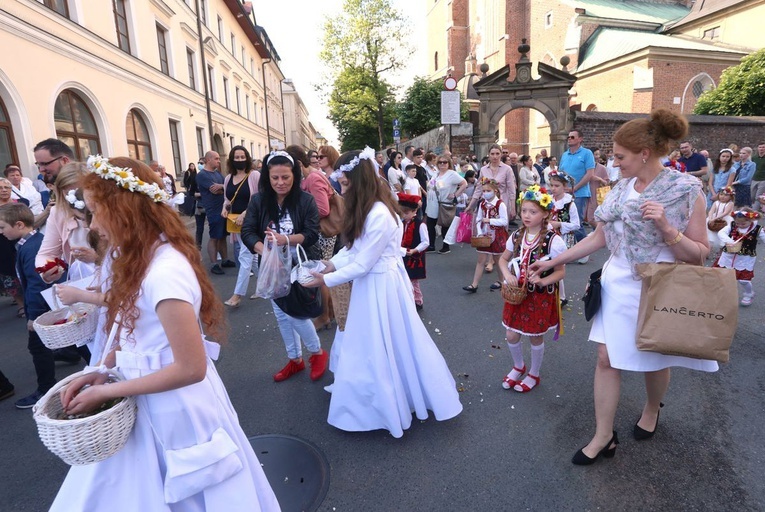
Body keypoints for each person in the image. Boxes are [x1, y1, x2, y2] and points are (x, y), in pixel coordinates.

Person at [48, 156, 280, 511]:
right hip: (145, 394)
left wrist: (109, 389)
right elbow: (132, 330)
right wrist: (102, 368)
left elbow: (191, 368)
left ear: (124, 209)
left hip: (176, 407)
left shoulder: (165, 272)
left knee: (193, 489)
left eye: (96, 212)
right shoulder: (139, 257)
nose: (93, 226)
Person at [530, 109, 718, 466]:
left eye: (620, 157)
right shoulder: (620, 189)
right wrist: (554, 261)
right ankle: (604, 436)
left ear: (645, 153)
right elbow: (600, 237)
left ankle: (651, 409)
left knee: (654, 358)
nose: (614, 165)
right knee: (605, 357)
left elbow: (699, 254)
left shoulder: (686, 189)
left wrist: (666, 227)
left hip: (658, 287)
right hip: (617, 283)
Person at [304, 148, 462, 438]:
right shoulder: (366, 209)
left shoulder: (379, 214)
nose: (340, 187)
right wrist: (330, 264)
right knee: (366, 340)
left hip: (382, 285)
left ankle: (388, 400)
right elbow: (353, 250)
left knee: (385, 340)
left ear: (357, 180)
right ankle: (367, 396)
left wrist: (325, 280)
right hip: (370, 283)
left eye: (344, 181)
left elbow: (364, 262)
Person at [240, 151, 329, 382]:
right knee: (281, 314)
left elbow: (311, 234)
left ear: (294, 175)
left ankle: (318, 353)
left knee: (296, 313)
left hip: (299, 265)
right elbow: (247, 231)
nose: (280, 183)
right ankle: (295, 359)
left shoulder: (305, 200)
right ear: (267, 178)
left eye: (285, 177)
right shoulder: (259, 200)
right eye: (275, 178)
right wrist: (266, 251)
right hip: (272, 267)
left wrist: (286, 241)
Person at [498, 185, 566, 393]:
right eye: (524, 210)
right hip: (517, 295)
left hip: (539, 297)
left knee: (535, 336)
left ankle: (534, 373)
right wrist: (508, 275)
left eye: (533, 212)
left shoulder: (554, 241)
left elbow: (560, 272)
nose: (526, 216)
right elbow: (503, 259)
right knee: (511, 335)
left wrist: (543, 281)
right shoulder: (517, 235)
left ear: (545, 214)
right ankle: (519, 366)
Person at [292, 145, 337, 330]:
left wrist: (303, 217)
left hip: (322, 232)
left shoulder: (312, 178)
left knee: (321, 273)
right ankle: (329, 312)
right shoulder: (312, 176)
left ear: (297, 163)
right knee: (321, 271)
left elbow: (323, 209)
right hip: (319, 231)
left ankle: (324, 315)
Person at [221, 146, 260, 308]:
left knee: (244, 257)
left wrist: (245, 213)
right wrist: (225, 208)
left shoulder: (254, 175)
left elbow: (258, 198)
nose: (239, 160)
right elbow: (227, 198)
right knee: (254, 257)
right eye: (236, 157)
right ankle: (264, 285)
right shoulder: (228, 178)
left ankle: (237, 295)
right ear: (231, 159)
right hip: (234, 222)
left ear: (247, 158)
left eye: (242, 157)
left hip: (250, 222)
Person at [462, 179, 508, 293]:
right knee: (480, 260)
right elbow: (478, 219)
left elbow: (504, 221)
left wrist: (490, 220)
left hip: (497, 235)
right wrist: (479, 232)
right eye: (483, 191)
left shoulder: (500, 204)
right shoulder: (482, 203)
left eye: (488, 190)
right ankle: (474, 284)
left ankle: (501, 281)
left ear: (495, 191)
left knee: (498, 259)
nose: (485, 193)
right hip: (484, 234)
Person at [714, 208, 765, 306]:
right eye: (737, 223)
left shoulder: (757, 229)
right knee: (723, 275)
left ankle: (748, 294)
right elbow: (721, 233)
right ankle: (724, 294)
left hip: (745, 258)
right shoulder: (732, 225)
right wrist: (729, 241)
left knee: (744, 280)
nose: (739, 225)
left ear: (750, 220)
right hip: (728, 255)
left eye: (743, 224)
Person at [196, 151, 234, 274]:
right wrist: (223, 188)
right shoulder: (202, 175)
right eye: (216, 159)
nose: (219, 161)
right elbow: (215, 191)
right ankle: (214, 264)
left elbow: (226, 188)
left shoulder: (218, 174)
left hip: (223, 209)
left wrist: (222, 186)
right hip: (213, 210)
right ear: (208, 160)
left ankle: (225, 260)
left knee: (222, 236)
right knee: (214, 237)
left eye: (219, 158)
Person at [547, 171, 580, 305]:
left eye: (556, 185)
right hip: (548, 237)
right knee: (549, 265)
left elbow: (576, 224)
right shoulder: (547, 200)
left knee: (557, 266)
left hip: (562, 239)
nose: (553, 188)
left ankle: (561, 297)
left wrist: (560, 224)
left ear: (564, 186)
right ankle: (553, 294)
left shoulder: (569, 204)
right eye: (551, 185)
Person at [559, 129, 595, 248]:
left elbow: (589, 174)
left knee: (577, 223)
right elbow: (560, 173)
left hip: (580, 193)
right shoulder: (565, 154)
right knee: (566, 222)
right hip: (565, 193)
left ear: (580, 139)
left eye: (573, 137)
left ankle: (585, 249)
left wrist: (574, 188)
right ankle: (571, 250)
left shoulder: (587, 153)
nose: (569, 139)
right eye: (568, 137)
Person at [425, 155, 467, 254]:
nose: (442, 164)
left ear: (449, 164)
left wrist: (455, 194)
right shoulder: (436, 174)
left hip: (444, 203)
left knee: (445, 224)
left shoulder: (452, 174)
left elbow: (464, 183)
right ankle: (431, 245)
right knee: (430, 224)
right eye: (440, 162)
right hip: (432, 203)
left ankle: (445, 246)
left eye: (445, 162)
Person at [468, 144, 516, 220]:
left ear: (501, 154)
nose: (495, 156)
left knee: (501, 227)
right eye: (492, 154)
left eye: (497, 154)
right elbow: (479, 189)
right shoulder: (483, 170)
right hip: (487, 202)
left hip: (502, 202)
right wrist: (470, 206)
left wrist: (513, 208)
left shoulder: (507, 169)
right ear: (489, 155)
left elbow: (511, 189)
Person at [398, 193, 429, 310]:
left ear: (414, 211)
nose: (404, 216)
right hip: (403, 254)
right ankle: (407, 300)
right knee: (403, 279)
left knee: (413, 280)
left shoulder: (420, 224)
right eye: (402, 213)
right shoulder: (401, 223)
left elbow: (426, 242)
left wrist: (415, 250)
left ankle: (417, 300)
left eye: (406, 213)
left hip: (414, 257)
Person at [0, 179, 25, 317]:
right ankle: (21, 304)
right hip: (3, 247)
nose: (4, 190)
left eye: (7, 187)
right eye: (1, 187)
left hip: (20, 242)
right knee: (9, 275)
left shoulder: (20, 204)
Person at [706, 186, 735, 257]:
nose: (723, 197)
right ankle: (708, 251)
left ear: (731, 196)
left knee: (723, 236)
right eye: (721, 194)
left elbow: (725, 213)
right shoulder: (716, 202)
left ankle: (721, 251)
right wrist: (710, 218)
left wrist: (714, 219)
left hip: (725, 220)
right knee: (711, 236)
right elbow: (711, 211)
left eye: (726, 195)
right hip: (714, 219)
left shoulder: (730, 204)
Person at [585, 149, 611, 224]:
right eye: (595, 154)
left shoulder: (602, 168)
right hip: (586, 194)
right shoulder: (585, 167)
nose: (597, 157)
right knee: (586, 217)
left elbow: (607, 183)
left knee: (592, 218)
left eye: (598, 154)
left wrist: (599, 179)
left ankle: (599, 232)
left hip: (596, 196)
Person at [751, 143, 765, 212]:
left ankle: (754, 212)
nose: (761, 149)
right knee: (752, 196)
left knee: (758, 197)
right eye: (760, 147)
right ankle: (751, 209)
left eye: (763, 147)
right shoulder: (754, 158)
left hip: (763, 180)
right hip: (754, 178)